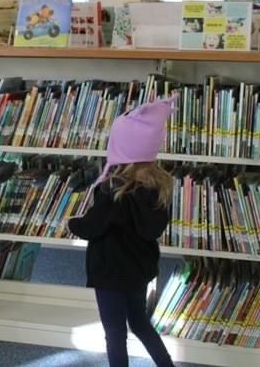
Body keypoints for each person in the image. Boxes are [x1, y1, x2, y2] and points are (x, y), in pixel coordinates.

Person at [68, 96, 178, 367]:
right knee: (140, 324)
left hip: (110, 274)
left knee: (115, 333)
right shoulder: (159, 188)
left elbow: (92, 227)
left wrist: (71, 223)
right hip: (139, 272)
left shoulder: (114, 190)